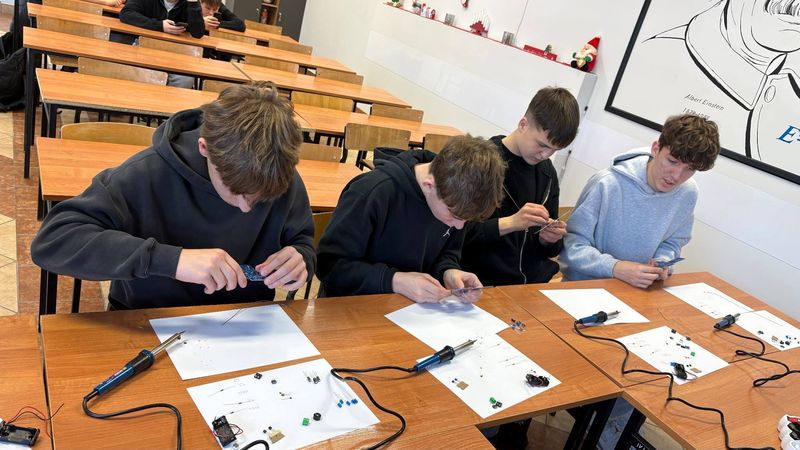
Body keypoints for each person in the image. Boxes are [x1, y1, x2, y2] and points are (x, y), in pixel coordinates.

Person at [31, 81, 315, 310]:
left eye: (261, 198)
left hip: (244, 320)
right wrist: (169, 260)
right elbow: (53, 242)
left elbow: (301, 240)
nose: (245, 209)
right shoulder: (145, 174)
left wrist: (300, 258)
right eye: (236, 191)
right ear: (205, 149)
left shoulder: (279, 174)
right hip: (149, 318)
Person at [316, 136, 506, 303]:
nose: (459, 226)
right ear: (429, 186)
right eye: (454, 217)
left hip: (412, 312)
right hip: (352, 307)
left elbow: (447, 253)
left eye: (466, 220)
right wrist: (395, 281)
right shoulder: (373, 192)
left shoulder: (456, 198)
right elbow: (330, 266)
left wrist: (448, 271)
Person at [560, 114, 720, 289]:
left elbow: (672, 242)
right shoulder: (607, 183)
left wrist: (662, 263)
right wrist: (615, 268)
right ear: (656, 148)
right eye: (672, 161)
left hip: (640, 290)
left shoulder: (688, 192)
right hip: (585, 287)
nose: (676, 176)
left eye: (690, 169)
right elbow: (571, 246)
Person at [460, 87, 580, 286]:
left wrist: (548, 239)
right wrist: (511, 223)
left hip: (531, 283)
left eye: (554, 150)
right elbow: (455, 235)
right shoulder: (481, 162)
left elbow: (549, 250)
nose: (545, 155)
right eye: (542, 145)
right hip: (481, 282)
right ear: (523, 124)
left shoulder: (547, 173)